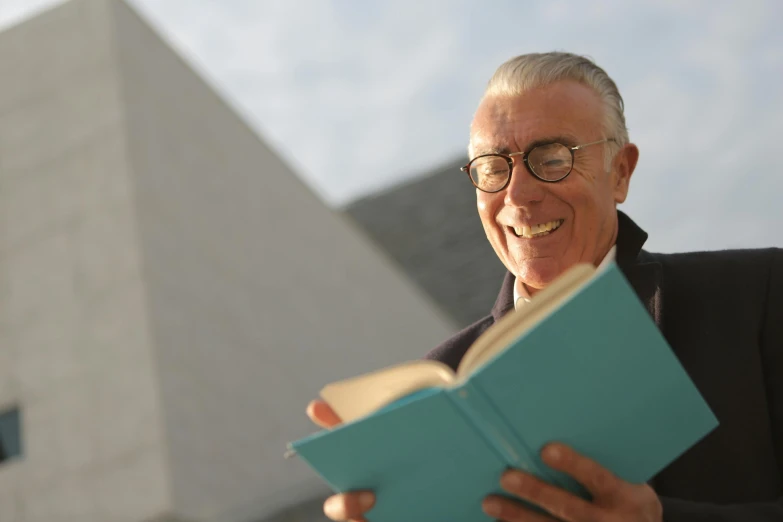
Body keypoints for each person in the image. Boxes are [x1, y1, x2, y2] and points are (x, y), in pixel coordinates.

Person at [307, 52, 783, 522]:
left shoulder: (759, 296)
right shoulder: (436, 388)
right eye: (493, 168)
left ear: (620, 172)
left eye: (552, 158)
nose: (517, 195)